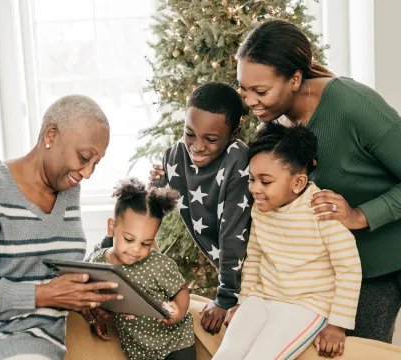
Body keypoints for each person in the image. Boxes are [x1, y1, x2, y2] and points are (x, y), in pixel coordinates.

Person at [236, 19, 401, 344]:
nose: (249, 100)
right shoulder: (274, 127)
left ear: (295, 79)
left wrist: (360, 215)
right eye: (243, 89)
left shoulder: (356, 105)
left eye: (260, 91)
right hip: (336, 268)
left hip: (386, 254)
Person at [0, 95, 123, 360]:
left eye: (96, 162)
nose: (87, 173)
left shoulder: (68, 189)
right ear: (51, 135)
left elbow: (44, 269)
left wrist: (82, 302)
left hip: (32, 343)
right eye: (84, 157)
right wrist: (43, 295)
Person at [213, 123, 362, 360]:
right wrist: (244, 301)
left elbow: (349, 268)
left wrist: (338, 325)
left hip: (307, 303)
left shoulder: (322, 210)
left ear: (298, 183)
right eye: (251, 179)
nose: (255, 189)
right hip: (263, 297)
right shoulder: (260, 209)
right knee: (226, 354)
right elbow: (255, 257)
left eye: (265, 181)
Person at [145, 82, 252, 335]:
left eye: (211, 139)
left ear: (233, 133)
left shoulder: (238, 159)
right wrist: (153, 186)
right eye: (189, 133)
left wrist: (225, 299)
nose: (198, 146)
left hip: (259, 272)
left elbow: (232, 235)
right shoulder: (174, 156)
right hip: (230, 274)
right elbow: (148, 209)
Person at [88, 178, 195, 360]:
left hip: (175, 343)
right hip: (138, 351)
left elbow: (181, 289)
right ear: (111, 227)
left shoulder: (158, 264)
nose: (136, 249)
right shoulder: (97, 262)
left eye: (146, 243)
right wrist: (97, 318)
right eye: (129, 239)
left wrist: (179, 311)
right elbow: (96, 296)